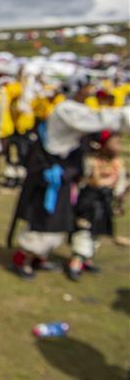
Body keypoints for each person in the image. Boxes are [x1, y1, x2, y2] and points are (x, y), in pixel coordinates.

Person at [8, 76, 129, 279]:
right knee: (45, 220)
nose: (90, 92)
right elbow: (98, 120)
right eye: (87, 88)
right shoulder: (67, 110)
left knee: (58, 218)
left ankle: (39, 257)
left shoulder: (73, 110)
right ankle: (24, 259)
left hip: (63, 175)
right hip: (50, 177)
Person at [66, 130, 126, 280]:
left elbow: (120, 185)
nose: (119, 146)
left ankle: (88, 258)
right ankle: (76, 260)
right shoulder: (90, 161)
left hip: (105, 203)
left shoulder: (118, 163)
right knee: (83, 229)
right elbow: (81, 181)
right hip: (88, 202)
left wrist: (119, 200)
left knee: (98, 231)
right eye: (115, 142)